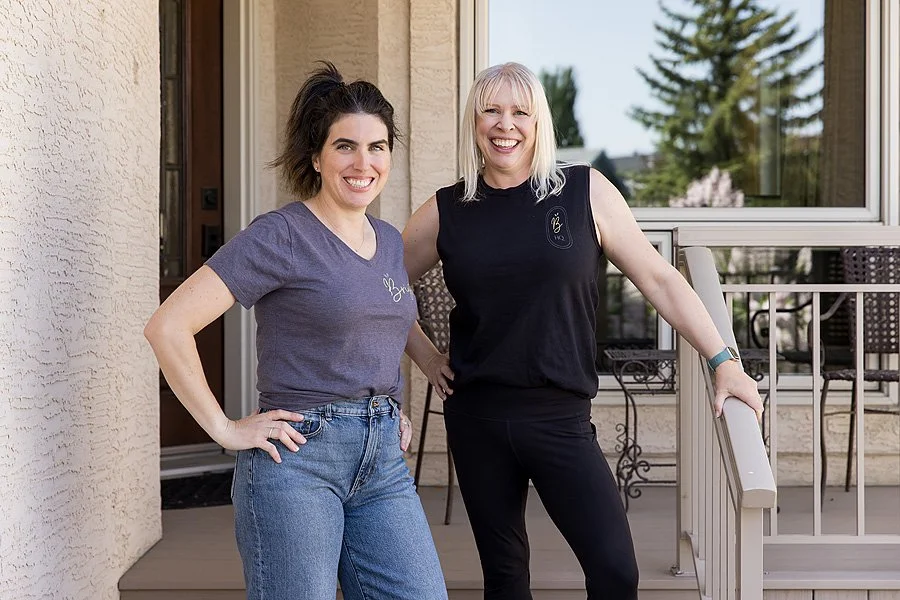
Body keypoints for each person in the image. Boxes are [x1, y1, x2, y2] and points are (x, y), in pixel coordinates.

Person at [402, 62, 764, 600]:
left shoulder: (583, 192)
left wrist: (723, 360)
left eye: (520, 112)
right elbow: (376, 289)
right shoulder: (447, 209)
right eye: (491, 110)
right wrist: (427, 357)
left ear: (539, 122)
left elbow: (660, 279)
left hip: (559, 416)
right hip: (477, 417)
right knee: (505, 579)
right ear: (473, 121)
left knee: (615, 569)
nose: (506, 125)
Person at [144, 62, 447, 600]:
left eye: (378, 147)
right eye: (345, 146)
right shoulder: (282, 235)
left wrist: (393, 395)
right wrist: (224, 429)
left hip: (382, 460)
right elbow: (168, 326)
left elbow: (384, 320)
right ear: (316, 156)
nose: (364, 163)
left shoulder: (389, 241)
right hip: (298, 462)